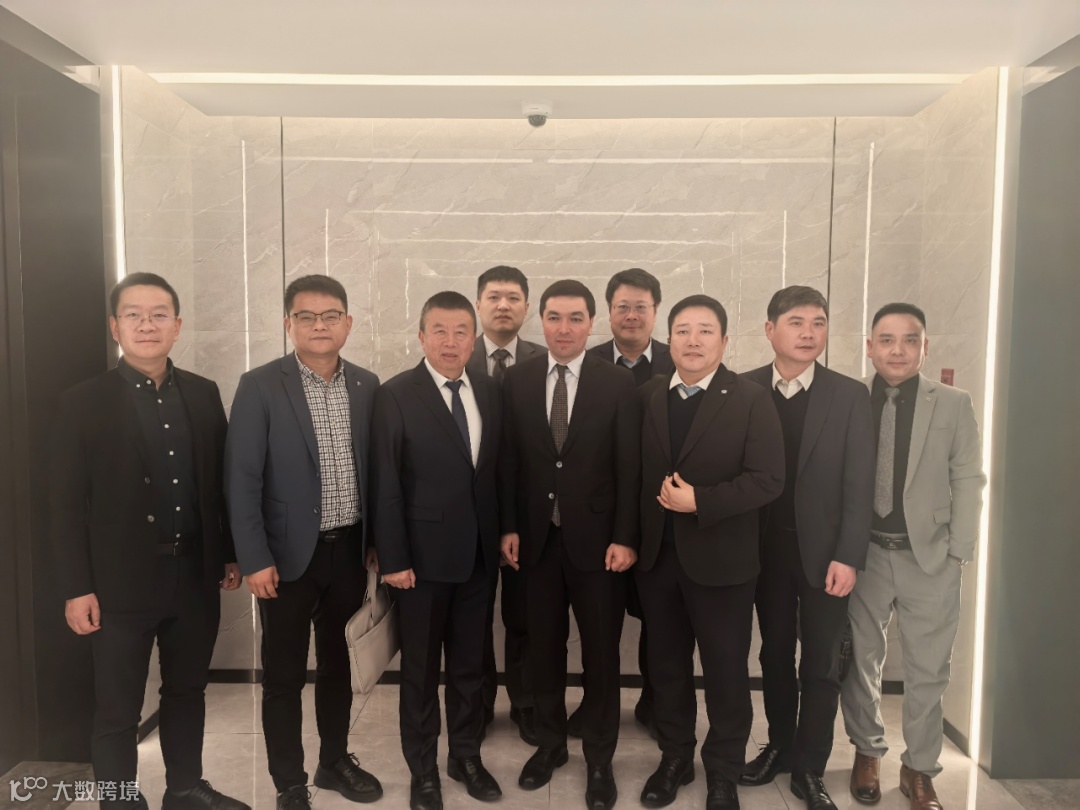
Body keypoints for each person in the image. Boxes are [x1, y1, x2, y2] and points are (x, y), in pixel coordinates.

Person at [51, 272, 248, 810]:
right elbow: (64, 506)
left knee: (187, 691)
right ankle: (119, 800)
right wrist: (76, 587)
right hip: (117, 585)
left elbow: (219, 484)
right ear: (115, 327)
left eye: (159, 314)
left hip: (193, 575)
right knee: (118, 708)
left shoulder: (204, 394)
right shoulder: (81, 402)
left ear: (177, 326)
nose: (147, 324)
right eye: (133, 315)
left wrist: (229, 552)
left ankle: (184, 789)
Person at [225, 275, 382, 810]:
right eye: (307, 317)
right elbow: (242, 479)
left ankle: (334, 761)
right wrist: (253, 557)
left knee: (339, 665)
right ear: (288, 324)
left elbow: (377, 471)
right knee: (284, 675)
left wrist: (376, 541)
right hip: (284, 558)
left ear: (348, 323)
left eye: (330, 315)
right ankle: (289, 783)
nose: (320, 325)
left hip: (348, 552)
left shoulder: (367, 385)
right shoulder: (260, 385)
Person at [635, 295, 785, 809]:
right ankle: (674, 756)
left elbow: (768, 479)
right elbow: (635, 473)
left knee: (725, 671)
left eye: (704, 331)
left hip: (723, 563)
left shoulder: (750, 398)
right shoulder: (650, 395)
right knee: (666, 667)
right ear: (668, 339)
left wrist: (700, 501)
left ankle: (722, 771)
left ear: (724, 340)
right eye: (682, 330)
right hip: (658, 561)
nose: (693, 340)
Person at [499, 280, 641, 810]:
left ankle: (599, 759)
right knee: (543, 650)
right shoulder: (517, 379)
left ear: (592, 323)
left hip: (600, 544)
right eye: (555, 317)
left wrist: (625, 536)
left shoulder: (618, 382)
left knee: (601, 653)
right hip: (536, 541)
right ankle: (551, 744)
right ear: (540, 320)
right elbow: (509, 460)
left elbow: (630, 467)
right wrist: (509, 526)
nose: (564, 328)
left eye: (575, 318)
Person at [841, 304, 985, 810]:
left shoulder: (953, 403)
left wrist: (958, 553)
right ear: (870, 347)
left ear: (926, 347)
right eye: (886, 339)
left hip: (931, 557)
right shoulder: (850, 399)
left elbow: (968, 478)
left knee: (929, 670)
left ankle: (920, 768)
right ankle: (867, 751)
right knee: (861, 661)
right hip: (864, 554)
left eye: (910, 340)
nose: (897, 350)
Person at [740, 286, 875, 810]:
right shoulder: (744, 388)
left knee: (821, 663)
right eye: (796, 322)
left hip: (826, 557)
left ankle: (810, 768)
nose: (808, 333)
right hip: (762, 554)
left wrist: (850, 555)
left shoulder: (848, 395)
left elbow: (860, 485)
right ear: (770, 330)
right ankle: (779, 746)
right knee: (773, 654)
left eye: (818, 323)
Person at [372, 291, 503, 810]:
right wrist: (394, 558)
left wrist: (505, 533)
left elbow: (497, 471)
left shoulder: (489, 390)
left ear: (474, 339)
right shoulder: (396, 394)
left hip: (479, 558)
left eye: (461, 332)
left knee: (470, 667)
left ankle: (465, 756)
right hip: (420, 563)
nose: (451, 342)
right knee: (421, 672)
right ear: (422, 336)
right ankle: (423, 769)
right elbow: (385, 481)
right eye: (440, 331)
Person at [574, 267, 675, 741]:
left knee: (661, 621)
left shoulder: (680, 361)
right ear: (608, 313)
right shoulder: (585, 362)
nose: (631, 315)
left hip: (662, 515)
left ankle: (657, 704)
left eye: (641, 307)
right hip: (601, 521)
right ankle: (597, 708)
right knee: (601, 626)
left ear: (656, 311)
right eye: (622, 307)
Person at [465, 265, 544, 746]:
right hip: (469, 514)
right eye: (493, 296)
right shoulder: (454, 355)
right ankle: (476, 704)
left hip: (527, 515)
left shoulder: (544, 360)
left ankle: (526, 703)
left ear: (526, 307)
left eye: (513, 297)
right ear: (478, 304)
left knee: (523, 616)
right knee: (472, 618)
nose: (503, 305)